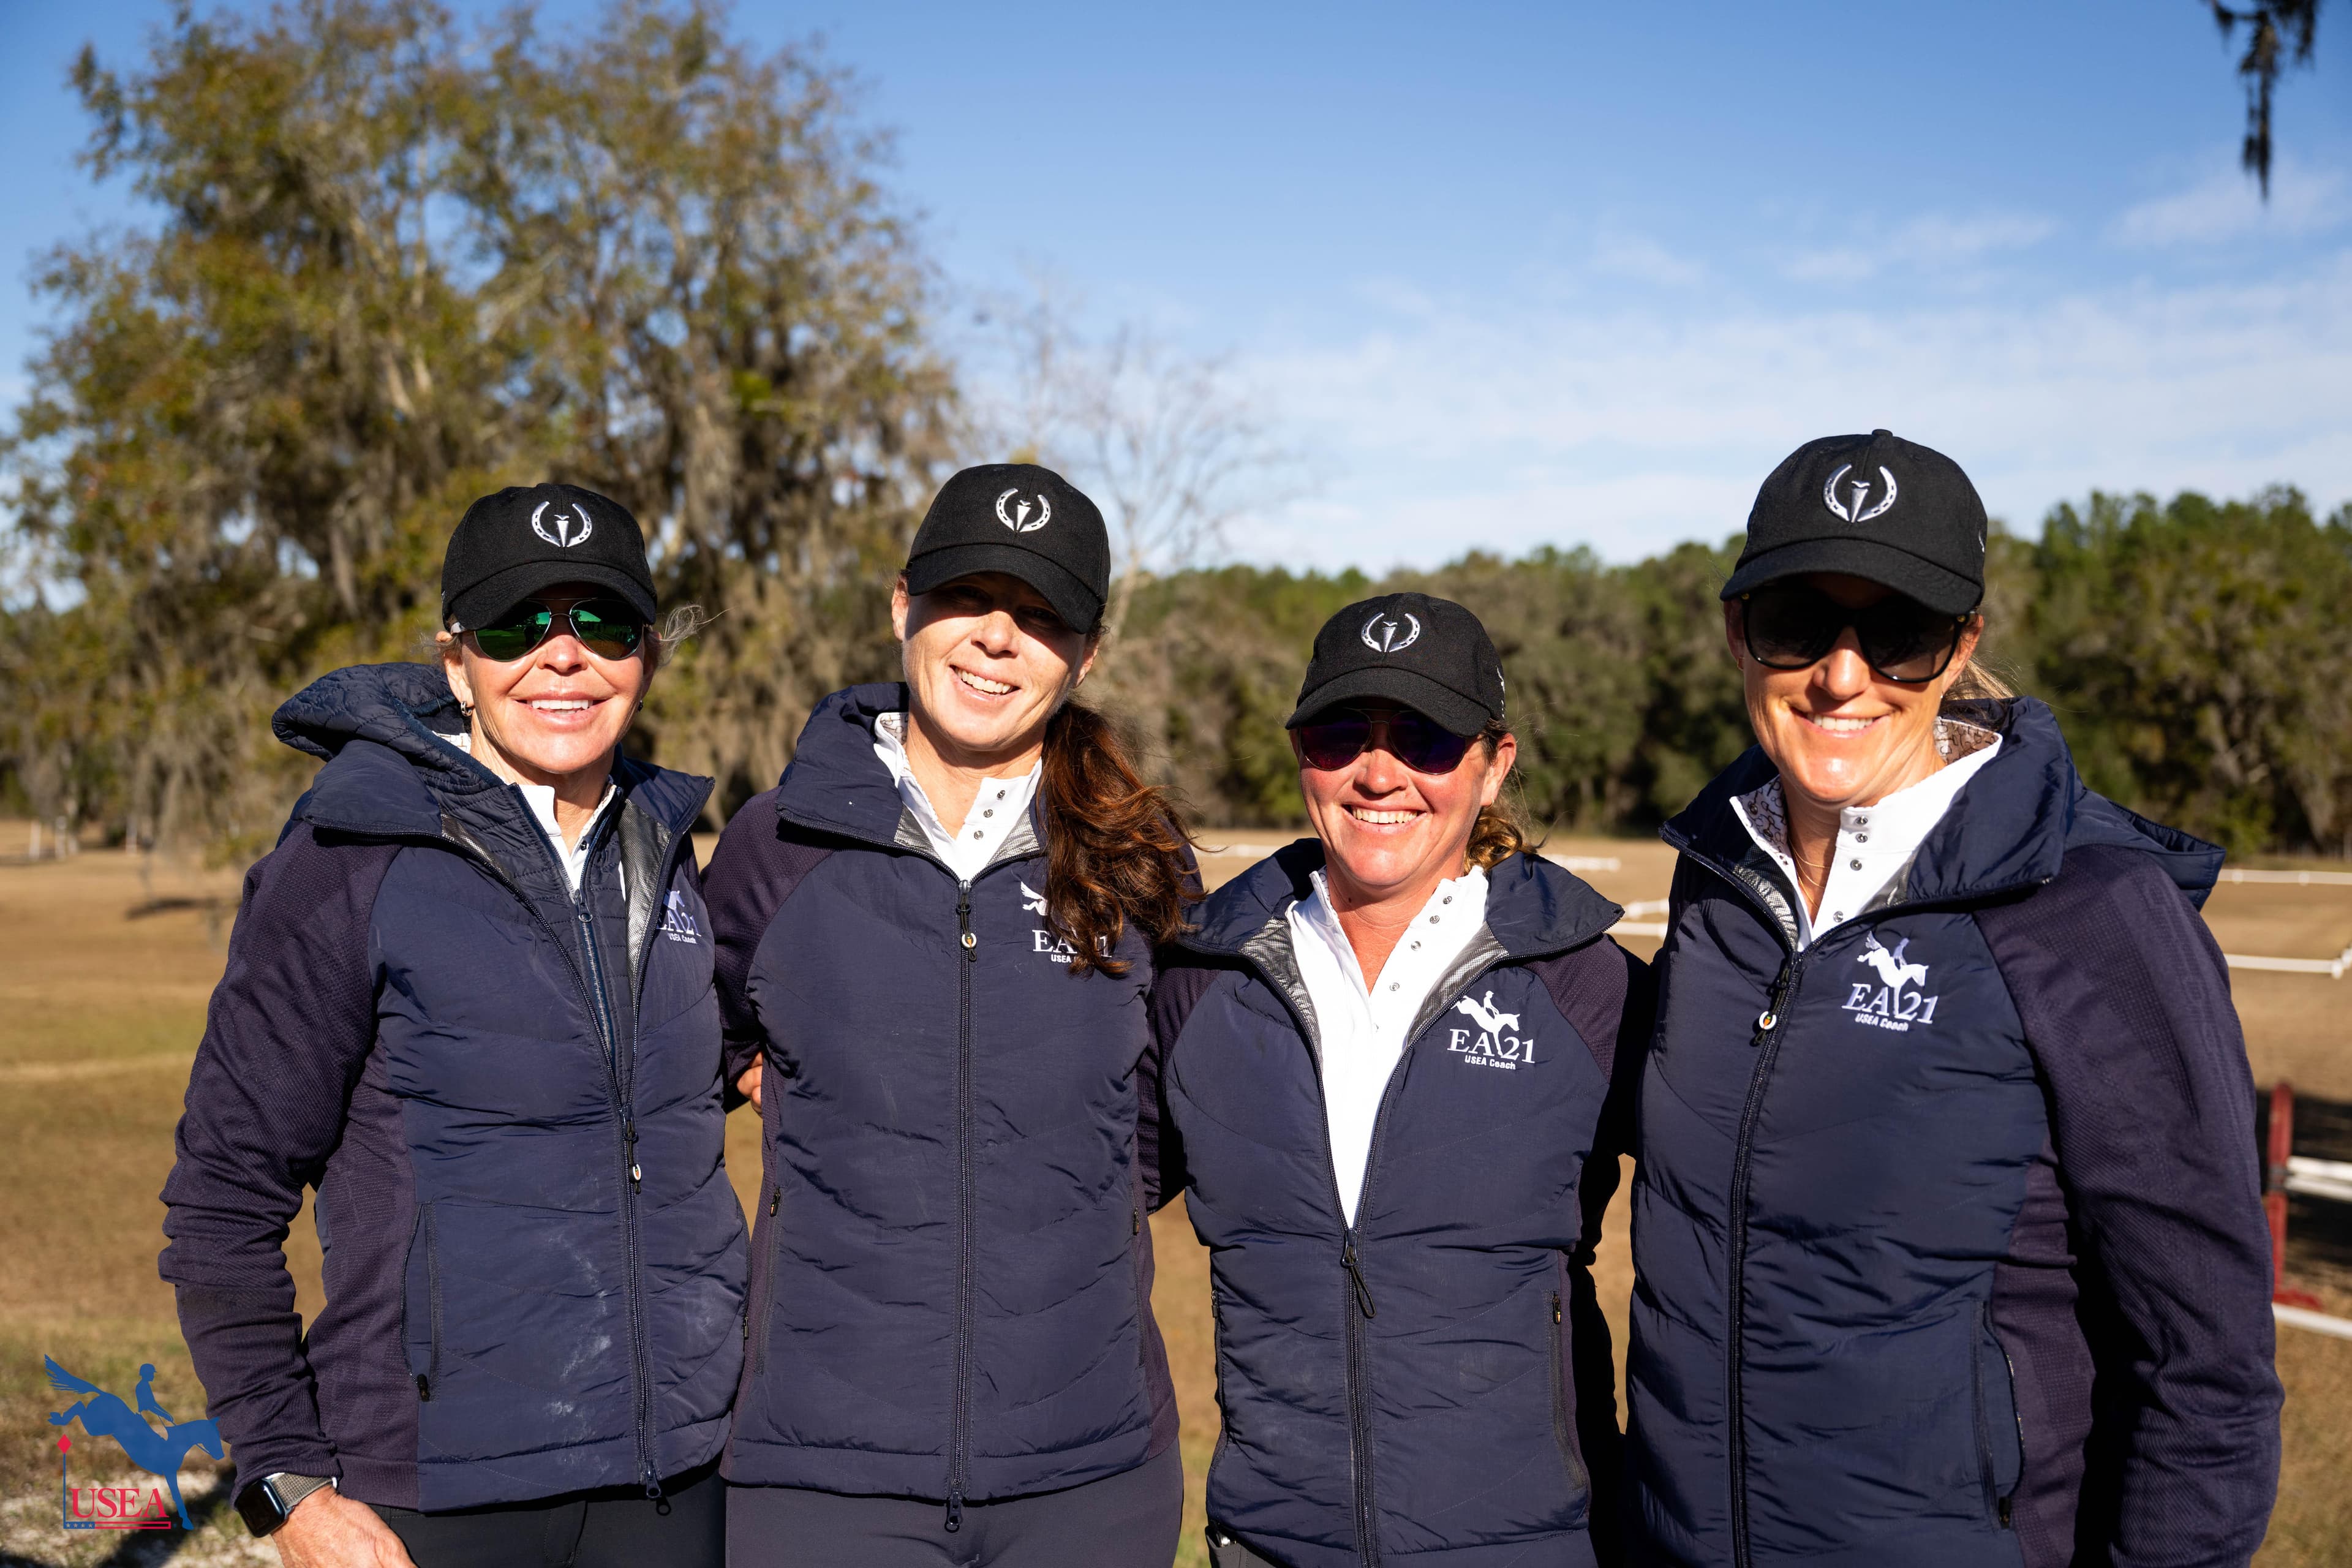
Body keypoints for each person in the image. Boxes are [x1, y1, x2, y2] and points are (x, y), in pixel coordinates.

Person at [1626, 431, 2283, 1566]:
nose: (1842, 675)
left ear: (1963, 642)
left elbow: (2206, 1367)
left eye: (1899, 632)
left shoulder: (2100, 909)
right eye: (1797, 623)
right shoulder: (1717, 877)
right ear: (1737, 630)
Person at [160, 484, 744, 1567]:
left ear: (647, 658)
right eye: (520, 625)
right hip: (431, 1491)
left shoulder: (668, 854)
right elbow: (222, 1192)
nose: (561, 658)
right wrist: (288, 1483)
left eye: (601, 625)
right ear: (456, 660)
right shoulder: (347, 860)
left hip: (673, 1480)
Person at [708, 464, 1197, 1567]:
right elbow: (687, 1057)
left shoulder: (1139, 862)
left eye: (1038, 616)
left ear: (1085, 654)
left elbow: (1167, 1112)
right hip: (818, 1477)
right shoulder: (776, 846)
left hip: (1091, 1476)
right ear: (901, 607)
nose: (995, 639)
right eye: (967, 599)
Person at [1150, 592, 1651, 1568]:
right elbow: (1069, 1192)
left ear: (1494, 763)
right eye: (1344, 733)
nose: (1379, 772)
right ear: (1301, 749)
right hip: (1269, 1545)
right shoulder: (1205, 983)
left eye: (1424, 738)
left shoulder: (1589, 987)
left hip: (1532, 1546)